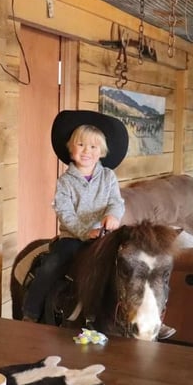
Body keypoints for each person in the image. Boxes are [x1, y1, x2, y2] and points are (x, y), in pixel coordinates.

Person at [21, 110, 127, 324]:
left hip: (104, 236)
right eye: (80, 145)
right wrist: (86, 232)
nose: (86, 151)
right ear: (70, 148)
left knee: (130, 265)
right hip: (73, 238)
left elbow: (116, 201)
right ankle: (30, 312)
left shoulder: (108, 177)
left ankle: (138, 317)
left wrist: (113, 216)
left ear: (101, 152)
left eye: (93, 147)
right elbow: (65, 213)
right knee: (52, 264)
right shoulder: (65, 182)